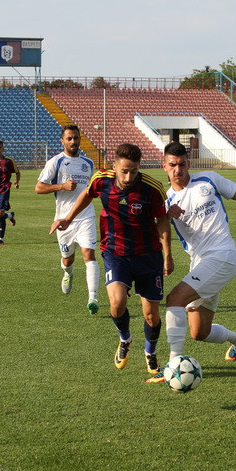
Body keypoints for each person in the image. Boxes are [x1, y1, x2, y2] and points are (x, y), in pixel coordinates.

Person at [146, 142, 236, 383]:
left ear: (188, 164)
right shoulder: (166, 201)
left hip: (223, 255)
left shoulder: (209, 179)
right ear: (164, 166)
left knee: (174, 299)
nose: (178, 170)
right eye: (172, 165)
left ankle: (173, 365)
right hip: (200, 263)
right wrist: (166, 228)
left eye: (182, 164)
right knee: (199, 332)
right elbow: (157, 231)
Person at [50, 143, 173, 377]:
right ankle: (125, 339)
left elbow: (163, 220)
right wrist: (68, 218)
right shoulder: (101, 180)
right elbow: (87, 195)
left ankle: (150, 351)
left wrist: (168, 255)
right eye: (124, 171)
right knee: (116, 303)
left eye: (134, 171)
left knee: (151, 314)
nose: (128, 177)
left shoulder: (152, 188)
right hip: (116, 252)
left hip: (148, 256)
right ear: (114, 165)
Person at [36, 125, 101, 314]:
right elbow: (39, 187)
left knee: (89, 254)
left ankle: (93, 298)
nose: (73, 141)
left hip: (86, 216)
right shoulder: (56, 162)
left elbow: (91, 191)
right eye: (69, 138)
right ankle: (68, 273)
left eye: (76, 138)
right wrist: (62, 186)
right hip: (63, 220)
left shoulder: (88, 163)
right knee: (67, 259)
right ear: (62, 141)